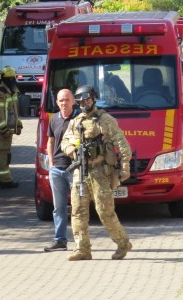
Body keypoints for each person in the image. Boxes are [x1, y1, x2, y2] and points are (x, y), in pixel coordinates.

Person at [61, 85, 133, 261]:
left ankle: (123, 243)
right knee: (78, 211)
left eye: (87, 100)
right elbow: (64, 142)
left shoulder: (105, 120)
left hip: (100, 172)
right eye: (81, 101)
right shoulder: (76, 121)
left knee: (104, 212)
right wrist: (72, 151)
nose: (84, 104)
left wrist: (125, 167)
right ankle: (82, 249)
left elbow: (122, 144)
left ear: (93, 99)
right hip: (80, 172)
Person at [43, 88, 78, 252]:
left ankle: (81, 243)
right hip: (56, 169)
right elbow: (50, 142)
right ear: (57, 102)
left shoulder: (79, 119)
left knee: (79, 207)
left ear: (73, 101)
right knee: (59, 208)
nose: (64, 103)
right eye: (61, 100)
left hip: (74, 169)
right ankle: (60, 241)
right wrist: (51, 163)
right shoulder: (54, 119)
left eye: (67, 99)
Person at [0, 66, 23, 189]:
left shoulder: (12, 91)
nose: (12, 80)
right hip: (1, 130)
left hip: (9, 130)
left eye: (12, 78)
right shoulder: (0, 93)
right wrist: (4, 129)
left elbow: (15, 111)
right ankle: (5, 180)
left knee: (1, 153)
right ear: (4, 79)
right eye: (9, 78)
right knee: (4, 154)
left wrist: (18, 125)